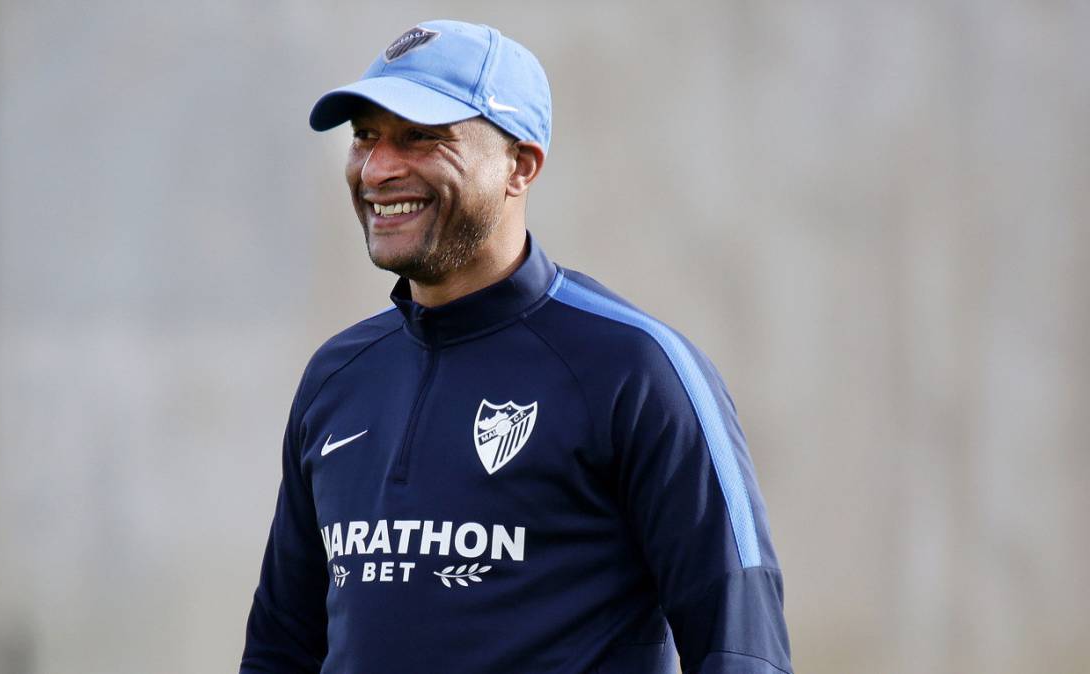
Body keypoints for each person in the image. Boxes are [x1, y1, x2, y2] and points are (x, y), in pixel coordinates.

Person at [240, 19, 792, 674]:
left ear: (520, 166)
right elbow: (280, 650)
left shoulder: (637, 370)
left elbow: (742, 649)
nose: (378, 169)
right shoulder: (338, 376)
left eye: (421, 137)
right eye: (365, 136)